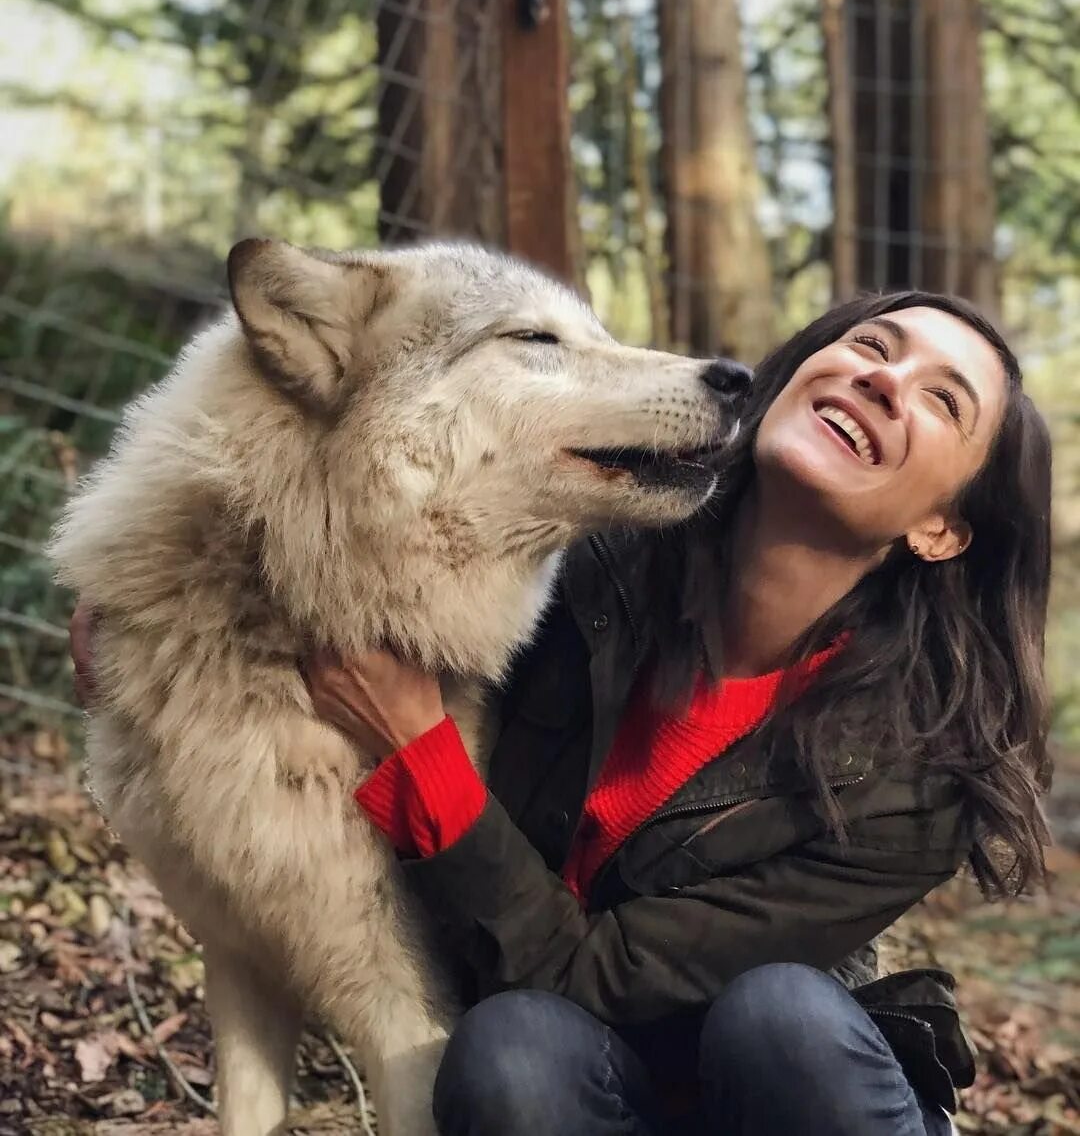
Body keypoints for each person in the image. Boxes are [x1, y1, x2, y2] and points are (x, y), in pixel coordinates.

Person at [72, 291, 1053, 1136]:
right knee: (511, 1051)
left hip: (788, 1091)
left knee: (780, 1019)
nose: (886, 380)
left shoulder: (918, 778)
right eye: (874, 348)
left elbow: (593, 972)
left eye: (939, 399)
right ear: (799, 372)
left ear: (942, 529)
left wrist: (422, 750)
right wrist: (156, 596)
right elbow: (363, 545)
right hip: (597, 1077)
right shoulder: (579, 565)